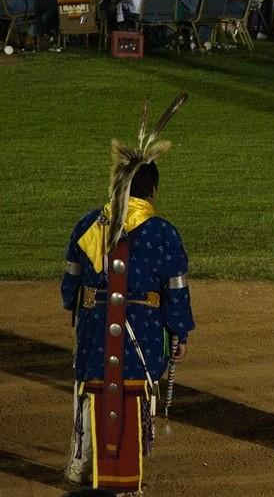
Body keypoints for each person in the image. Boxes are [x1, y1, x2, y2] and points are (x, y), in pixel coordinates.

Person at [62, 93, 194, 493]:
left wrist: (82, 317)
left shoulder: (88, 225)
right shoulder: (163, 233)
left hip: (93, 334)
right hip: (143, 337)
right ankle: (124, 477)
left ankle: (81, 465)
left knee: (92, 393)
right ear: (151, 192)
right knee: (135, 397)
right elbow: (176, 293)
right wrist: (180, 334)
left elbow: (70, 287)